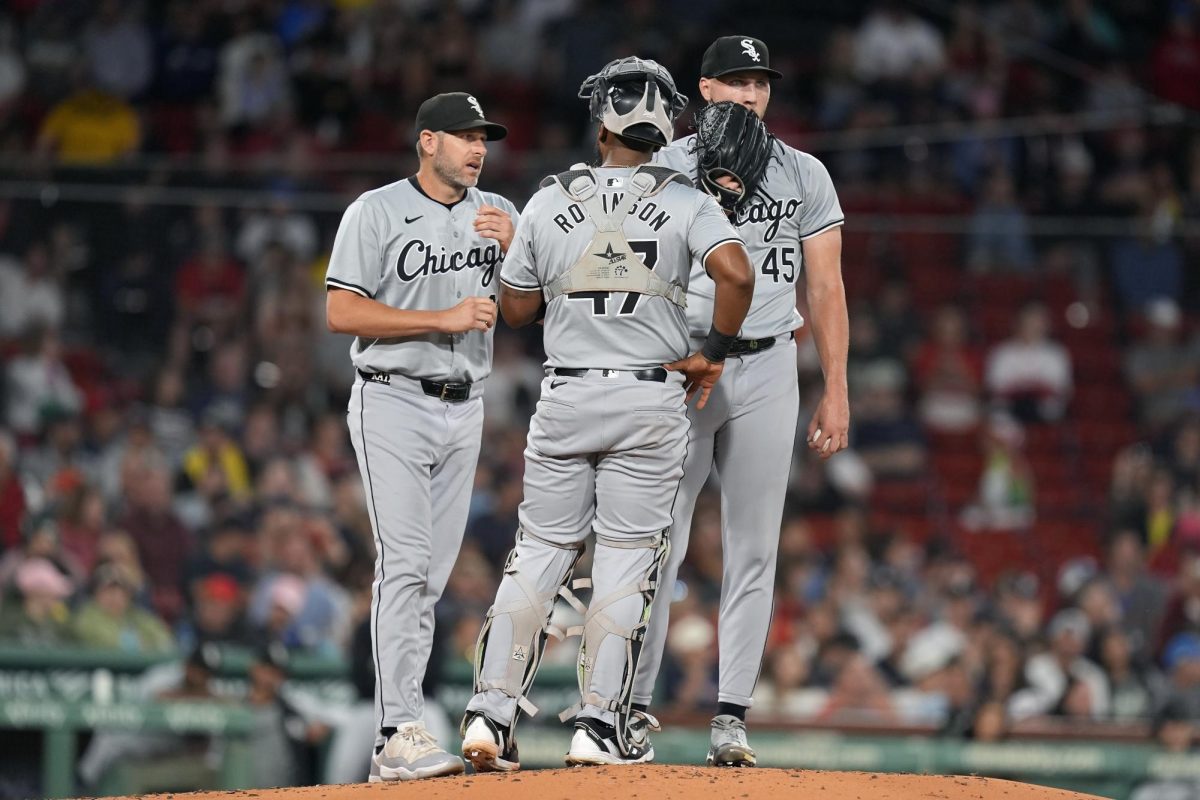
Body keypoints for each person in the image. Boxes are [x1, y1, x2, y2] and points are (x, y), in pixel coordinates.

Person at [458, 56, 753, 771]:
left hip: (567, 393)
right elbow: (737, 274)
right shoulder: (686, 199)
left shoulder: (548, 199)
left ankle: (488, 717)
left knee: (540, 554)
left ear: (601, 120)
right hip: (648, 396)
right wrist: (713, 349)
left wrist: (531, 263)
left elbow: (519, 310)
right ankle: (596, 727)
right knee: (625, 562)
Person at [634, 35, 849, 767]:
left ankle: (731, 717)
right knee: (660, 543)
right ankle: (631, 705)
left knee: (755, 548)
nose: (750, 94)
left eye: (759, 82)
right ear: (704, 90)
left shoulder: (804, 172)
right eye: (735, 82)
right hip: (687, 367)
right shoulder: (667, 166)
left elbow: (824, 288)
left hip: (769, 367)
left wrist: (837, 390)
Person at [324, 91, 519, 781]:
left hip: (467, 404)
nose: (478, 147)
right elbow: (340, 309)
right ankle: (394, 729)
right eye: (464, 135)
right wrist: (441, 319)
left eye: (484, 137)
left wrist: (517, 253)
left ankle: (397, 745)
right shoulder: (375, 210)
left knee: (430, 580)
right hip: (393, 399)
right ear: (427, 140)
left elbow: (525, 310)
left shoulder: (498, 214)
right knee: (403, 566)